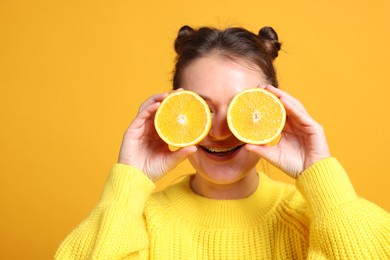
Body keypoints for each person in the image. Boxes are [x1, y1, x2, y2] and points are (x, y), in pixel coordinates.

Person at [55, 25, 390, 259]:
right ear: (175, 111)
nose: (218, 131)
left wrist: (323, 179)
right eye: (202, 108)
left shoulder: (314, 219)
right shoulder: (136, 223)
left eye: (240, 108)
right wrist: (127, 183)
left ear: (274, 110)